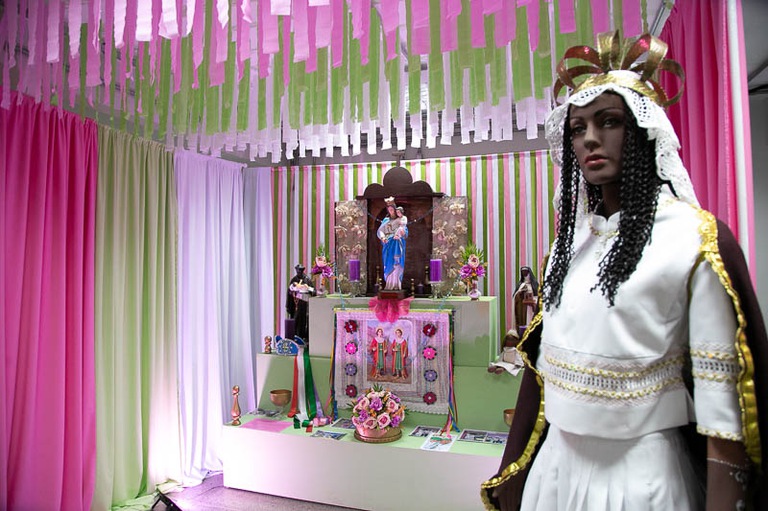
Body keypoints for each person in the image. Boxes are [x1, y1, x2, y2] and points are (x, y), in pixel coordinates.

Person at [481, 31, 767, 511]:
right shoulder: (568, 248)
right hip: (554, 474)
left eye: (609, 121)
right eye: (578, 128)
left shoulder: (693, 239)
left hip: (641, 478)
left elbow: (724, 416)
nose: (590, 138)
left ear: (642, 130)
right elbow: (543, 383)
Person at [377, 197, 408, 290]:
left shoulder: (401, 220)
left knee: (397, 262)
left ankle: (396, 284)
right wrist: (383, 237)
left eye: (392, 209)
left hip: (397, 244)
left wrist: (401, 233)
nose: (390, 211)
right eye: (389, 209)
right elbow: (380, 230)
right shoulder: (386, 220)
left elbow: (405, 231)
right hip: (387, 244)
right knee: (388, 263)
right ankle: (389, 284)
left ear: (395, 210)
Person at [286, 264, 314, 341]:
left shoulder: (307, 279)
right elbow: (289, 292)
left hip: (304, 304)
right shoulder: (294, 280)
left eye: (300, 271)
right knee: (295, 320)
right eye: (298, 271)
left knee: (303, 321)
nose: (299, 273)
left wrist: (307, 288)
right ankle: (295, 337)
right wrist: (293, 289)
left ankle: (303, 338)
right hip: (295, 304)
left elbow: (313, 291)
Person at [511, 267, 539, 335]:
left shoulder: (534, 284)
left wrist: (533, 300)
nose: (525, 274)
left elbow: (538, 296)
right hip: (522, 309)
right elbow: (515, 296)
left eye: (526, 272)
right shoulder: (520, 285)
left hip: (531, 308)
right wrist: (520, 293)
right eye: (523, 272)